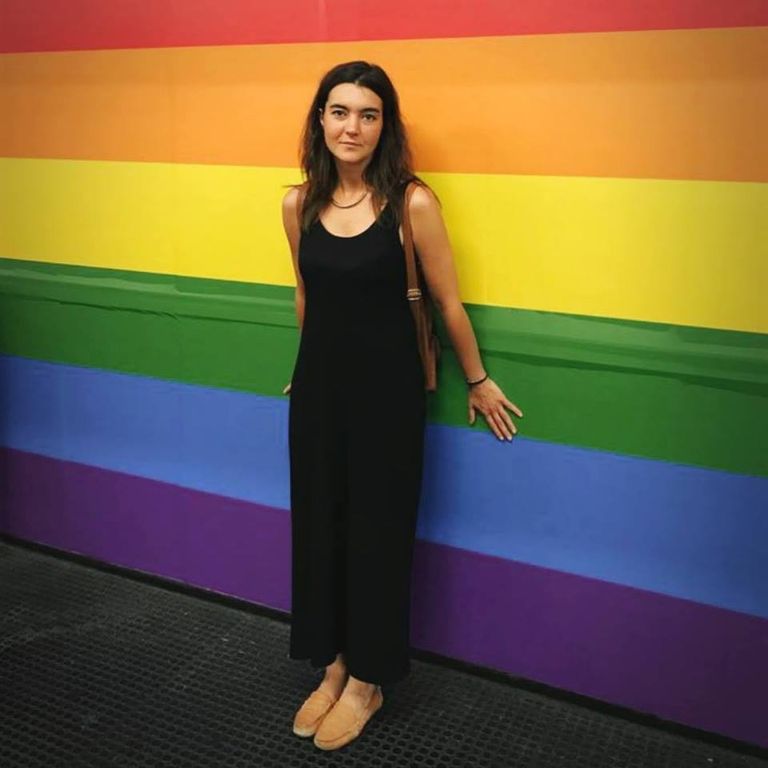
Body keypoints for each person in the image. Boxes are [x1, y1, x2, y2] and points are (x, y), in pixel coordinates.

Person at [280, 61, 523, 750]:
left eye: (368, 114)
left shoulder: (411, 204)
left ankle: (368, 681)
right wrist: (306, 367)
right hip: (318, 396)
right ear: (320, 120)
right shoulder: (297, 204)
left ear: (385, 126)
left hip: (387, 400)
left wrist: (477, 379)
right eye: (339, 112)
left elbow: (447, 302)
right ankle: (333, 665)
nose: (351, 127)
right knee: (319, 529)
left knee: (376, 536)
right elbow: (307, 294)